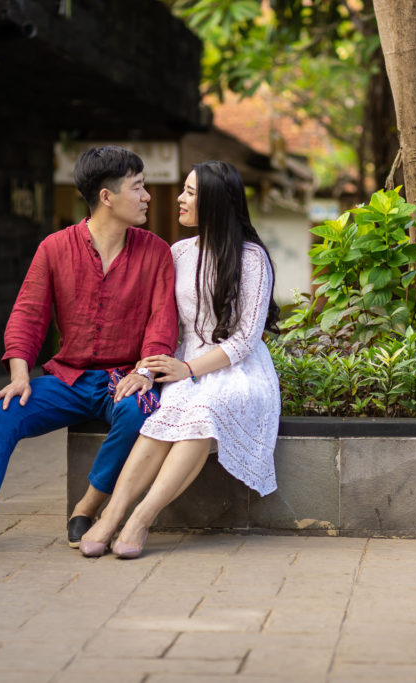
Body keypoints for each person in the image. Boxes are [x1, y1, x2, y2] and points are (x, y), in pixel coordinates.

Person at [0, 146, 178, 558]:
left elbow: (161, 323)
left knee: (138, 410)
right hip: (68, 379)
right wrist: (19, 377)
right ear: (106, 197)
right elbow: (27, 315)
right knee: (2, 410)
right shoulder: (55, 248)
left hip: (123, 378)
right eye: (138, 187)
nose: (147, 196)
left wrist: (144, 373)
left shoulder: (156, 252)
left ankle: (86, 509)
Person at [79, 160, 281, 558]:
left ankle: (141, 520)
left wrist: (187, 369)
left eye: (190, 193)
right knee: (160, 419)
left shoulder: (252, 258)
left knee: (203, 409)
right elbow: (161, 321)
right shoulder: (178, 252)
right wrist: (149, 367)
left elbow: (244, 340)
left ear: (216, 202)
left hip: (238, 371)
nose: (180, 200)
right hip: (184, 363)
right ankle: (110, 516)